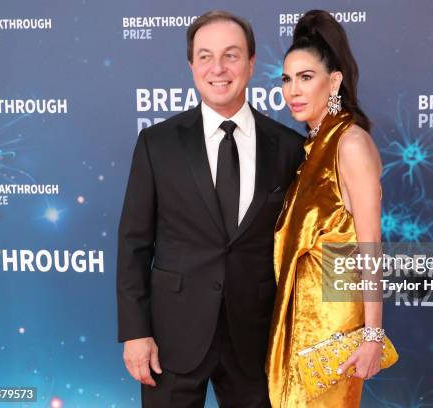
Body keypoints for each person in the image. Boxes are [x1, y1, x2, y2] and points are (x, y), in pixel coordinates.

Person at [117, 10, 305, 407]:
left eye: (231, 55)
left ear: (252, 63)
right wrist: (135, 333)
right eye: (205, 56)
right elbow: (134, 243)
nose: (218, 68)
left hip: (256, 339)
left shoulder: (289, 148)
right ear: (191, 66)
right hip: (172, 339)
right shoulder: (157, 143)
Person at [266, 10, 385, 407]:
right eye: (286, 79)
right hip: (296, 328)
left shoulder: (350, 143)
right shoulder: (310, 152)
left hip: (333, 337)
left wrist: (372, 337)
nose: (292, 90)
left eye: (305, 77)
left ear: (333, 81)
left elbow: (370, 246)